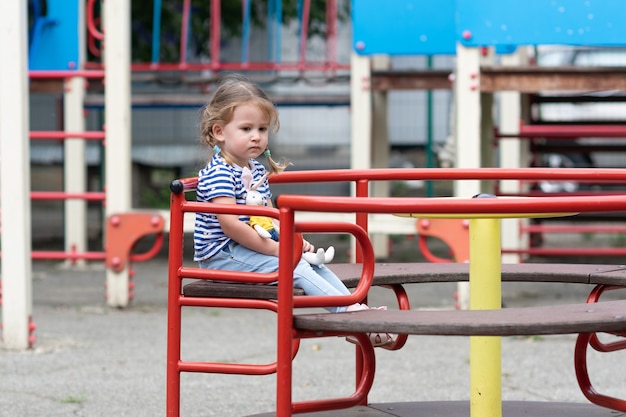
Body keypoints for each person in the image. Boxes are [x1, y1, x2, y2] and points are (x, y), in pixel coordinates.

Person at [193, 73, 392, 347]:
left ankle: (354, 309)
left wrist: (290, 241)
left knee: (312, 263)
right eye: (246, 129)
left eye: (262, 130)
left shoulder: (256, 169)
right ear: (219, 131)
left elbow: (268, 218)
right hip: (222, 254)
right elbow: (232, 227)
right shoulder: (219, 173)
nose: (256, 137)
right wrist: (279, 250)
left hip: (249, 247)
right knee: (294, 267)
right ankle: (350, 317)